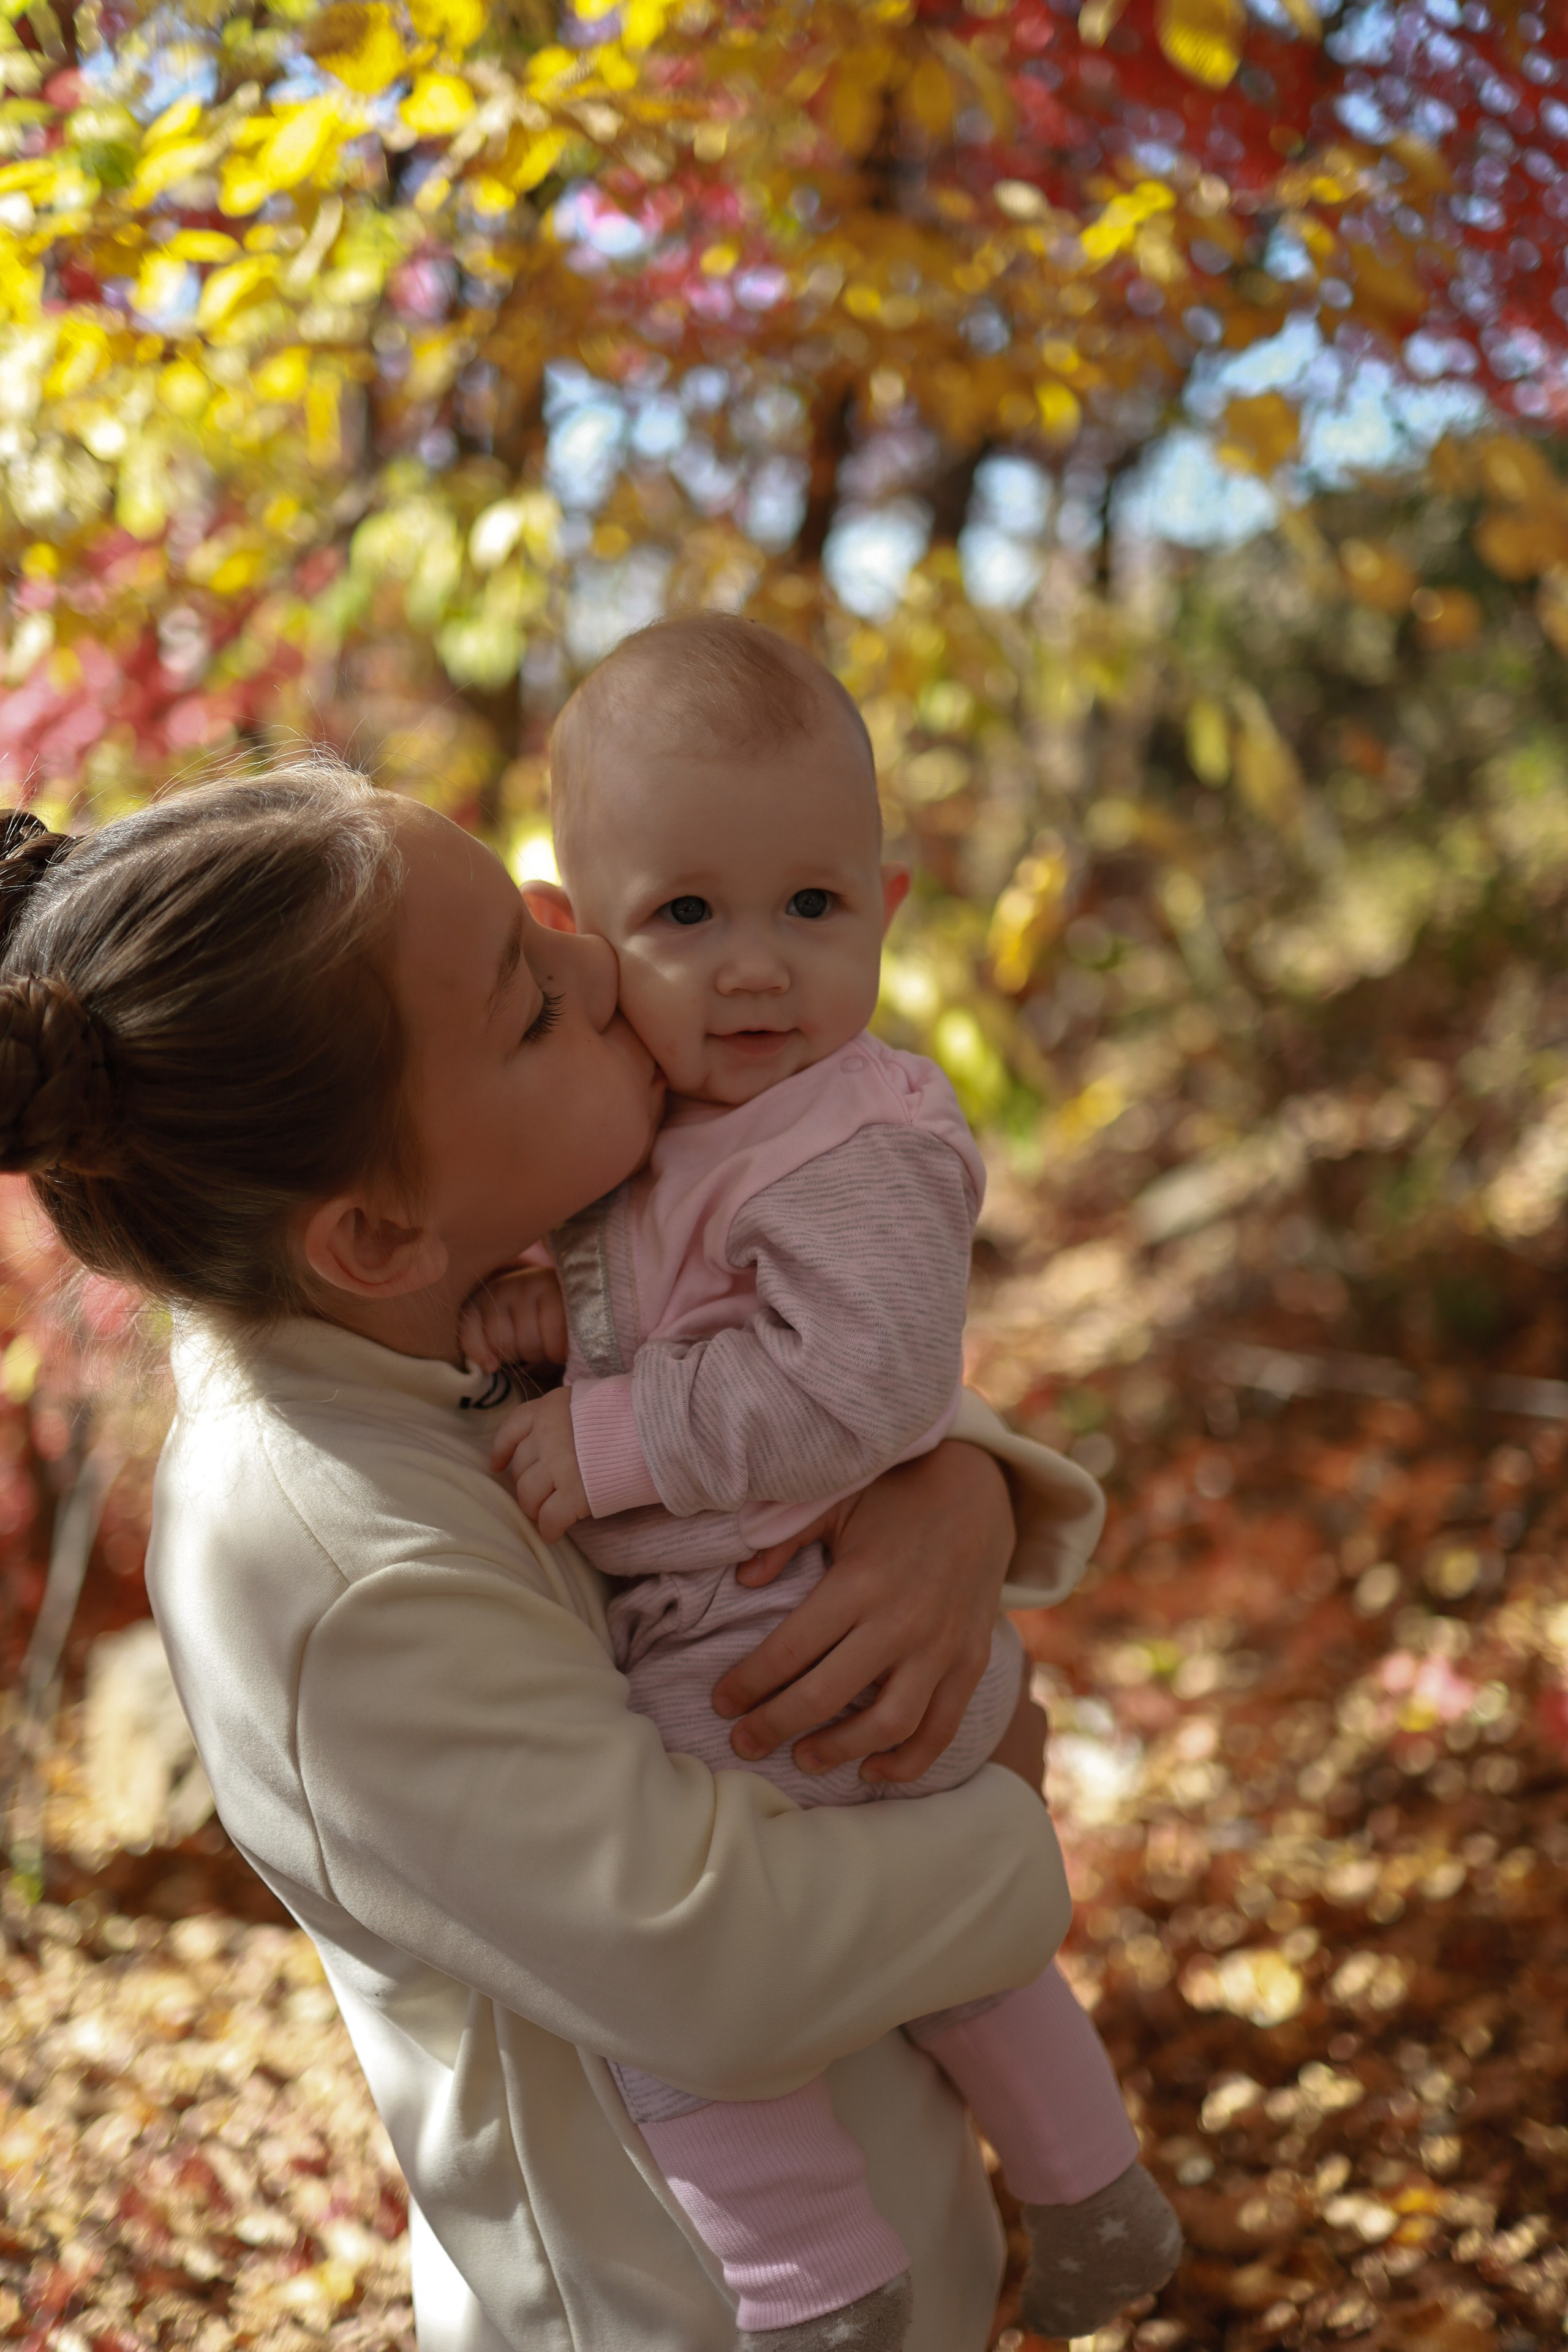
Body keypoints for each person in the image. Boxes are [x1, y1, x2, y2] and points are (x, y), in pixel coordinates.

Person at [0, 761, 1112, 2352]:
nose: (601, 966)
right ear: (372, 1229)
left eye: (546, 925)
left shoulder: (462, 1284)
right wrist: (1006, 1811)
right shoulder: (324, 1556)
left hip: (876, 2246)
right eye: (531, 1005)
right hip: (671, 2306)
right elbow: (710, 1967)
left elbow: (788, 1384)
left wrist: (960, 1492)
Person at [463, 616, 1180, 2350]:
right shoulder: (660, 1134)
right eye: (688, 916)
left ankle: (813, 2288)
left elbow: (862, 1382)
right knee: (952, 1961)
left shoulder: (846, 1134)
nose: (759, 968)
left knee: (679, 2011)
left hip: (788, 1632)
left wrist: (606, 1436)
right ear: (581, 927)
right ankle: (1094, 2199)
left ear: (889, 900)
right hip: (768, 1625)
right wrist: (535, 1320)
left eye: (812, 907)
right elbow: (647, 1299)